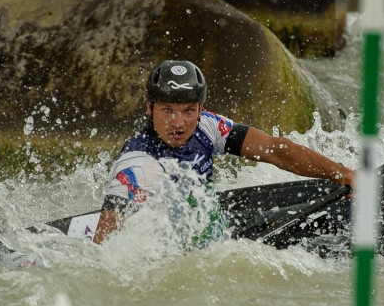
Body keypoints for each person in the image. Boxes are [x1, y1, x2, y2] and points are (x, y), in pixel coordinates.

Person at [93, 59, 354, 244]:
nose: (178, 122)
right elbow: (106, 247)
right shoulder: (138, 164)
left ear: (200, 108)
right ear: (150, 108)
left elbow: (276, 151)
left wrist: (341, 174)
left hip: (219, 243)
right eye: (167, 110)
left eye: (188, 111)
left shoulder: (207, 125)